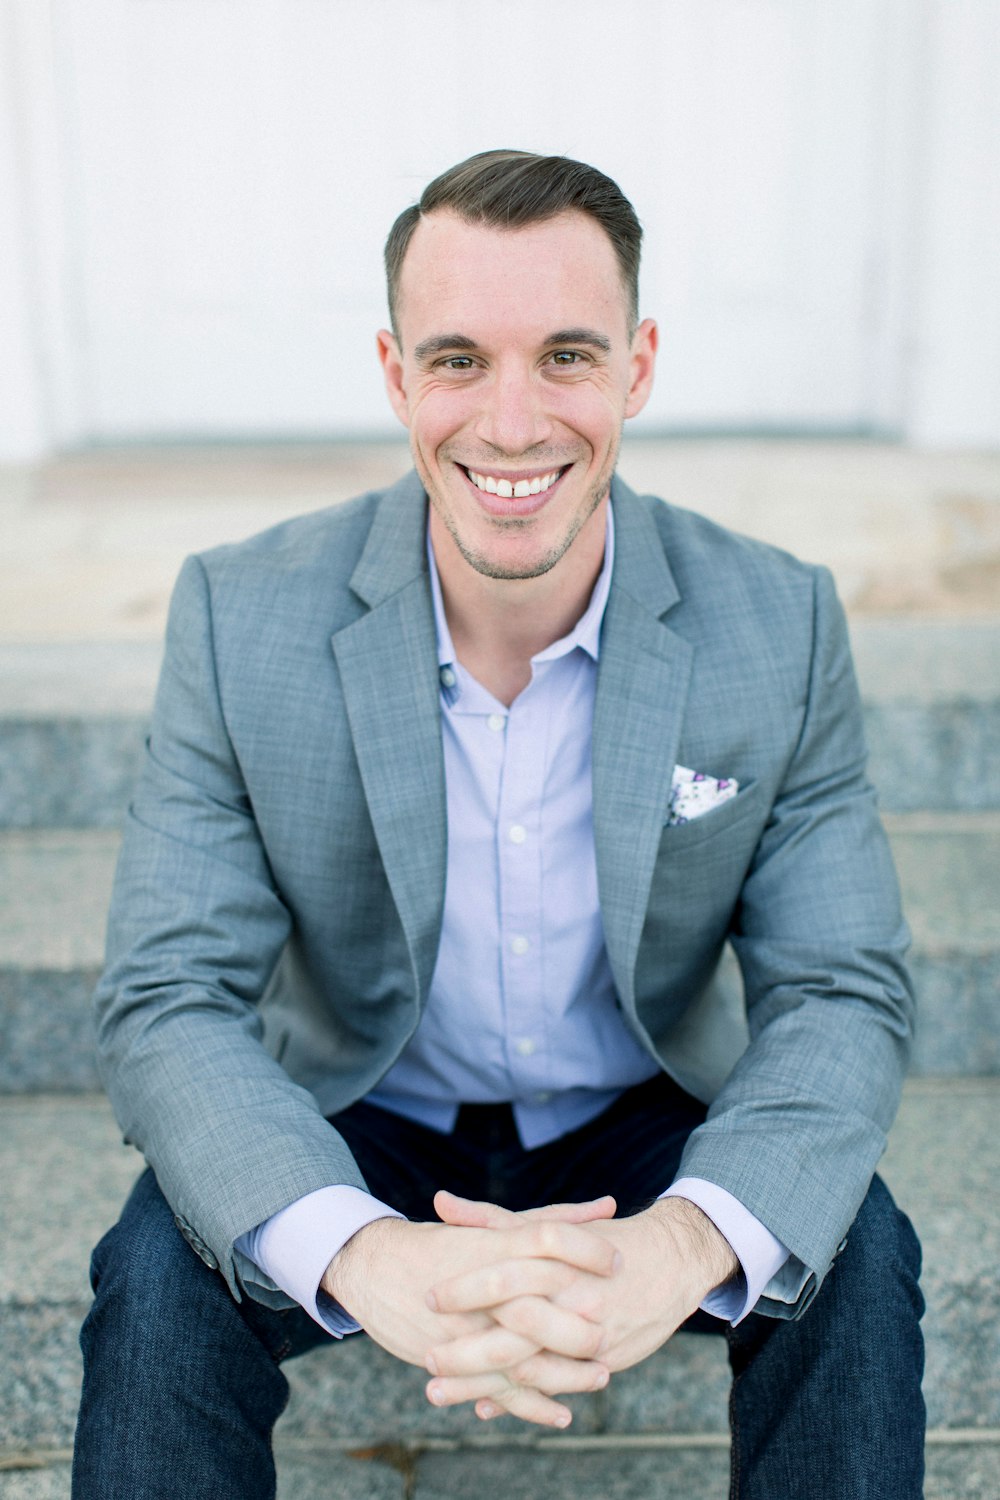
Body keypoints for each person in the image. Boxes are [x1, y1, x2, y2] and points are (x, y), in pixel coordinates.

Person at [73, 150, 925, 1499]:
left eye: (567, 357)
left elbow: (843, 986)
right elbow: (169, 994)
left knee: (852, 1248)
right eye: (459, 358)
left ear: (638, 370)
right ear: (396, 373)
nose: (514, 422)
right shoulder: (243, 618)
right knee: (156, 1274)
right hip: (367, 1098)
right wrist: (359, 1251)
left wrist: (689, 1240)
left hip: (641, 1105)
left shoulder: (779, 622)